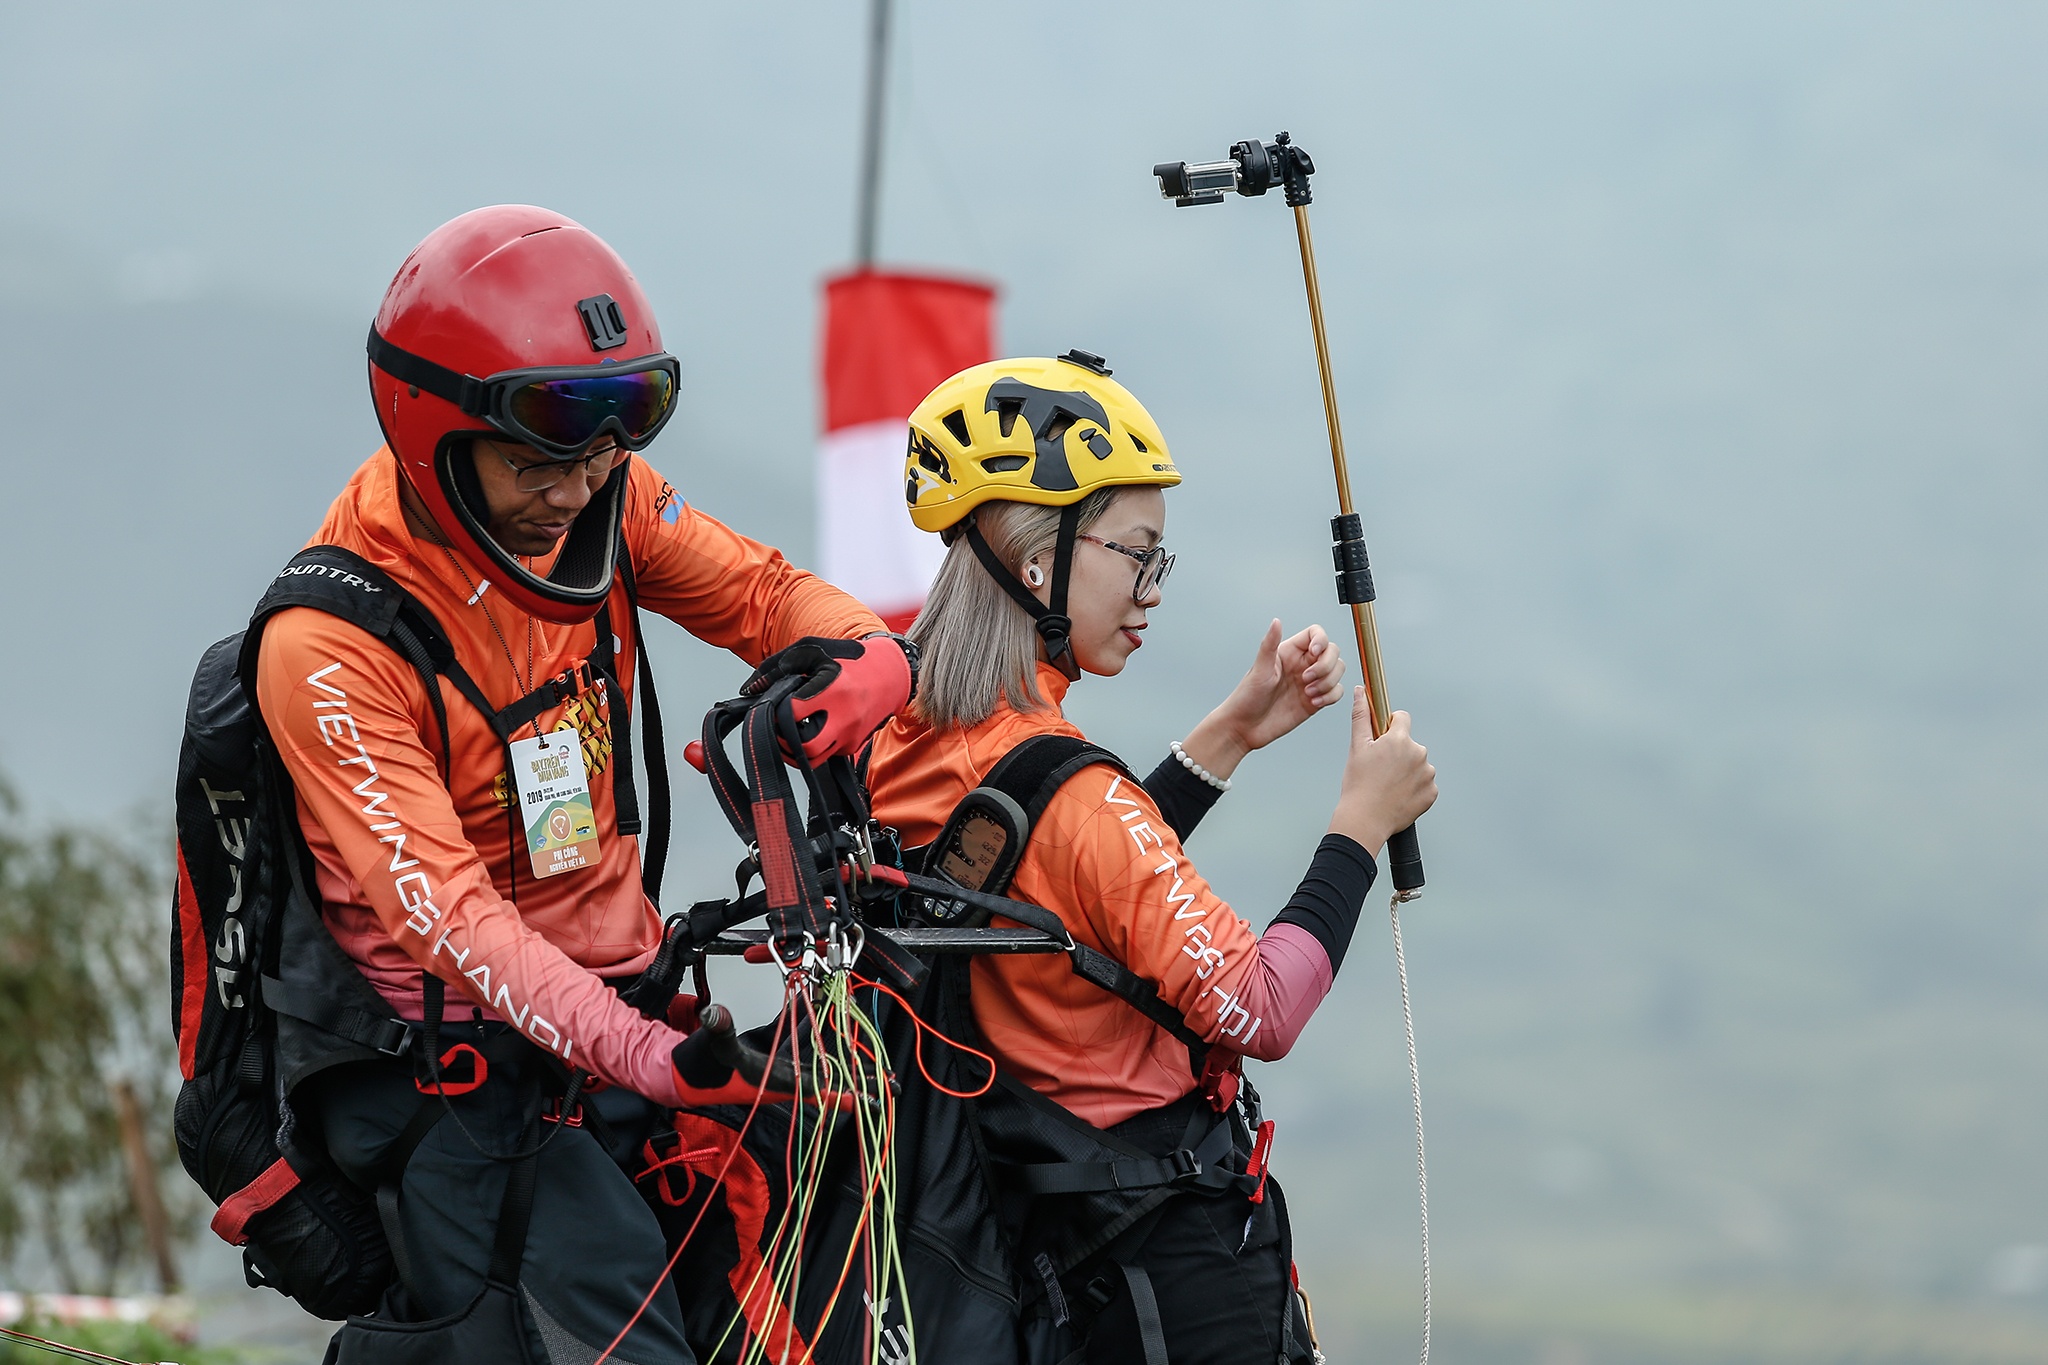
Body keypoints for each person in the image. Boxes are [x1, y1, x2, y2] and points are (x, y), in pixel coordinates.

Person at [252, 205, 913, 1362]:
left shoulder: (605, 499)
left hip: (617, 1017)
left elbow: (766, 596)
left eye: (605, 455)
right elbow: (444, 913)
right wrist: (649, 1055)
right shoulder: (333, 642)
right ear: (433, 432)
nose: (574, 492)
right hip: (447, 1074)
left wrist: (865, 662)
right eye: (538, 464)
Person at [866, 351, 1438, 1363]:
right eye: (1137, 554)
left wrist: (1225, 737)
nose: (1150, 589)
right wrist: (1358, 821)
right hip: (1175, 1270)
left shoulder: (906, 741)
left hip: (1042, 1257)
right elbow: (1256, 1008)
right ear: (1039, 559)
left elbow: (1049, 887)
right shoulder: (1074, 793)